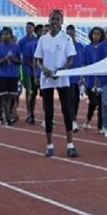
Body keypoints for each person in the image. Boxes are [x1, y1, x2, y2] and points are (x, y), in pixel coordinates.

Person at [35, 9, 79, 158]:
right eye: (52, 19)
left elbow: (71, 59)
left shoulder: (66, 39)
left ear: (61, 21)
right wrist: (44, 70)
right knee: (49, 111)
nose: (54, 22)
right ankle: (49, 145)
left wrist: (61, 69)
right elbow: (38, 61)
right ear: (48, 20)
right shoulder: (43, 39)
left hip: (62, 78)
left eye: (57, 19)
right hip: (46, 78)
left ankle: (70, 144)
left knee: (67, 109)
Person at [0, 28, 22, 126]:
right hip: (2, 75)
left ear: (11, 35)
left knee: (13, 97)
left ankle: (8, 113)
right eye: (3, 34)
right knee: (4, 97)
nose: (5, 36)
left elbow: (20, 61)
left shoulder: (16, 47)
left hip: (13, 75)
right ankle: (7, 117)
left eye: (7, 34)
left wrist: (12, 59)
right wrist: (4, 60)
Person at [83, 27, 105, 132]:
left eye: (98, 34)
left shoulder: (103, 48)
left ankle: (100, 126)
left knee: (101, 104)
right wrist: (82, 77)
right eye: (94, 34)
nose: (96, 36)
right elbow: (84, 64)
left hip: (101, 80)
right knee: (93, 102)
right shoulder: (87, 48)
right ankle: (87, 120)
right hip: (90, 80)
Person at [66, 24, 86, 132]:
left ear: (75, 33)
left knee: (76, 99)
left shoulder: (80, 47)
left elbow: (83, 63)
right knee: (70, 98)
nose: (70, 35)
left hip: (77, 77)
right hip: (67, 78)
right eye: (68, 34)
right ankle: (72, 120)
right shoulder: (64, 47)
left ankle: (73, 118)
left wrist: (82, 77)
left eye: (71, 33)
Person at [19, 22, 39, 124]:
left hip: (37, 70)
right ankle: (28, 112)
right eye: (27, 28)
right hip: (27, 70)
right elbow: (22, 56)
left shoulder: (37, 40)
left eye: (30, 28)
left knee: (34, 93)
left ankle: (31, 111)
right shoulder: (22, 41)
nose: (28, 29)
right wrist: (32, 65)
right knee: (29, 92)